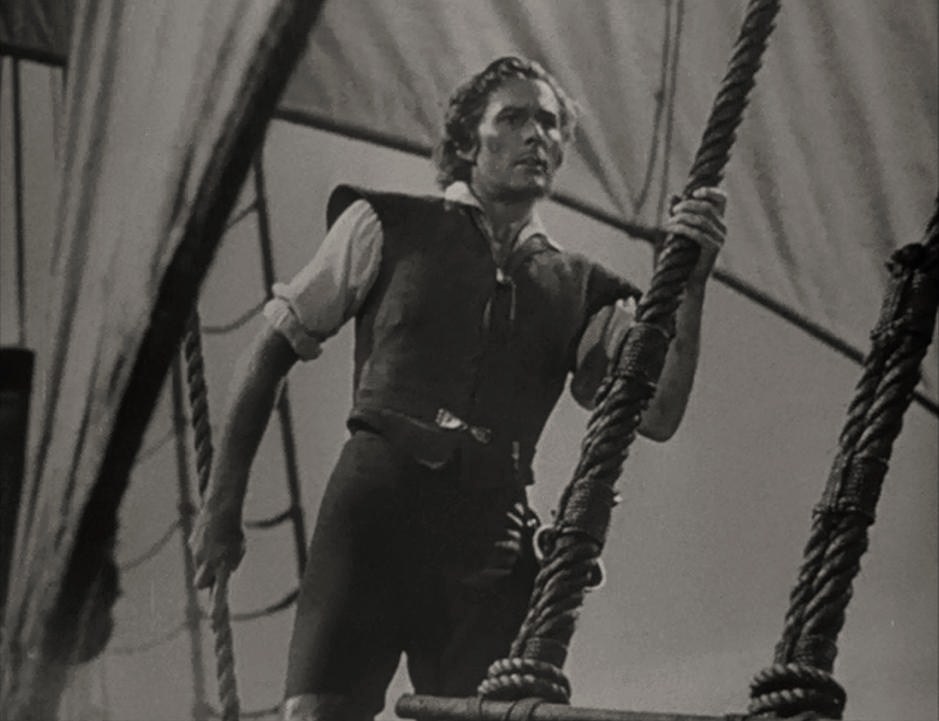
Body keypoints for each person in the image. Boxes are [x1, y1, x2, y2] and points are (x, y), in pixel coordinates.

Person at [190, 56, 727, 721]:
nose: (536, 135)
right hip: (374, 515)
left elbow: (660, 413)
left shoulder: (583, 290)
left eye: (549, 123)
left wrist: (693, 287)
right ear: (469, 143)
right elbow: (268, 352)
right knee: (317, 714)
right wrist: (221, 508)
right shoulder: (384, 225)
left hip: (486, 542)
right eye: (514, 118)